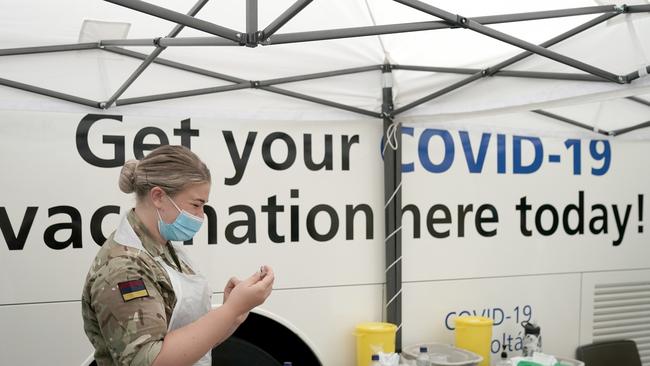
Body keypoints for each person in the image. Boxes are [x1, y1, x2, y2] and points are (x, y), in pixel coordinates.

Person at [81, 145, 274, 366]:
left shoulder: (164, 248)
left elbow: (189, 343)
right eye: (196, 205)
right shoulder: (123, 268)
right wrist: (231, 309)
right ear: (158, 197)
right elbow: (149, 361)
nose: (201, 216)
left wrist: (234, 315)